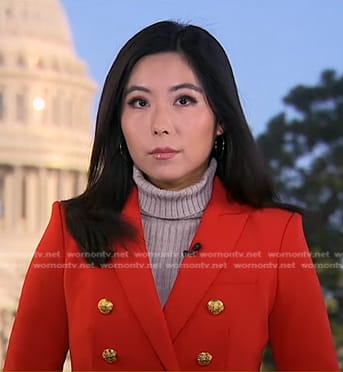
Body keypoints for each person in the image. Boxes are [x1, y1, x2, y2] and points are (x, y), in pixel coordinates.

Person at [3, 20, 339, 371]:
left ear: (220, 119)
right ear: (118, 120)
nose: (160, 123)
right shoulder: (71, 230)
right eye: (139, 102)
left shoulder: (275, 235)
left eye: (184, 100)